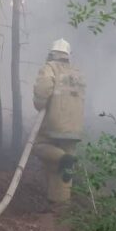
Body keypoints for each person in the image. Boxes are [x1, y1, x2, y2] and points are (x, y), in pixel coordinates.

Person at [32, 38, 86, 204]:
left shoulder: (50, 68)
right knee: (64, 171)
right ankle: (60, 204)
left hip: (54, 123)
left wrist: (40, 104)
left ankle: (62, 158)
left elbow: (42, 92)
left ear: (52, 53)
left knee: (39, 146)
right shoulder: (77, 73)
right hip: (74, 127)